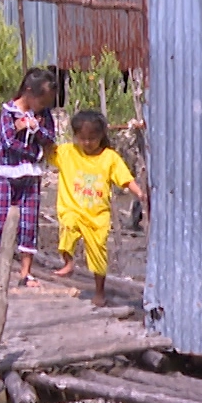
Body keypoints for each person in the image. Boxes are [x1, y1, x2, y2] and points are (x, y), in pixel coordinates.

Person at [50, 108, 148, 307]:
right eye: (82, 138)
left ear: (101, 136)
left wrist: (140, 193)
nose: (86, 143)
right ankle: (68, 262)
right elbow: (44, 147)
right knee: (67, 226)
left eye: (91, 139)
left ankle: (99, 291)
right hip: (73, 209)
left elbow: (125, 179)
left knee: (98, 255)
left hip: (97, 217)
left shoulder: (109, 158)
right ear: (75, 136)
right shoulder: (68, 152)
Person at [0, 68, 58, 286]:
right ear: (28, 92)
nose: (43, 107)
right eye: (41, 101)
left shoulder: (43, 116)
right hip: (5, 173)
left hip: (30, 175)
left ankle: (25, 273)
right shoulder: (8, 112)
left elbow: (50, 137)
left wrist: (34, 129)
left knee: (28, 221)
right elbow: (8, 143)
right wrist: (35, 152)